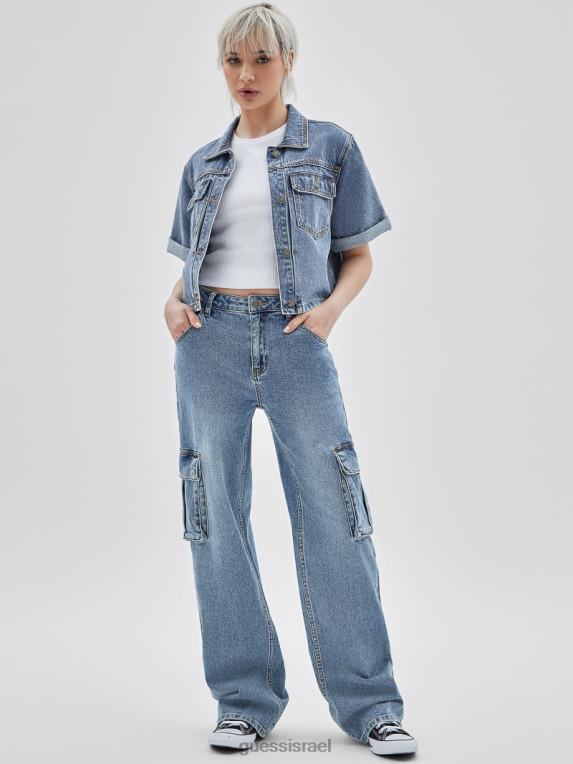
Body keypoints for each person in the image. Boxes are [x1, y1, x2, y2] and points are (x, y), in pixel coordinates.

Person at [164, 3, 417, 756]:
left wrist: (328, 313)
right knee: (215, 517)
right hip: (207, 343)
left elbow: (357, 255)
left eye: (261, 60)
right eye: (233, 61)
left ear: (288, 62)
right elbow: (193, 263)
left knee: (336, 510)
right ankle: (243, 701)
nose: (245, 75)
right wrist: (173, 304)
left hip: (297, 338)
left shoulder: (331, 147)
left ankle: (371, 705)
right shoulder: (203, 164)